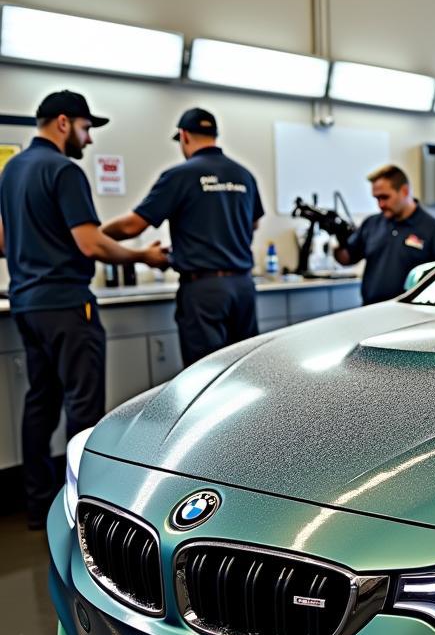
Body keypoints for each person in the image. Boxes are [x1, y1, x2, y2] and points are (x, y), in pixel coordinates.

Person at [0, 90, 168, 528]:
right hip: (68, 305)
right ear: (62, 122)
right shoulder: (63, 170)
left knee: (40, 402)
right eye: (86, 128)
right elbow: (91, 243)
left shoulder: (12, 169)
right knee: (83, 406)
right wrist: (142, 257)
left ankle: (39, 506)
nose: (89, 139)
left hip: (26, 303)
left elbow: (2, 240)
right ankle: (87, 511)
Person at [103, 108, 264, 367]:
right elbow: (253, 223)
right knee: (243, 369)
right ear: (214, 135)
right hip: (243, 287)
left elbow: (132, 226)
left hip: (204, 292)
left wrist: (94, 234)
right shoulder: (243, 175)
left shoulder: (180, 175)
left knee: (205, 373)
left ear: (184, 135)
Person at [334, 164, 435, 304]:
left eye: (385, 197)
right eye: (377, 198)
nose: (381, 204)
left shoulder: (432, 230)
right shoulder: (371, 224)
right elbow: (346, 259)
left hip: (411, 314)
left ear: (404, 191)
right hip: (371, 310)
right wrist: (339, 237)